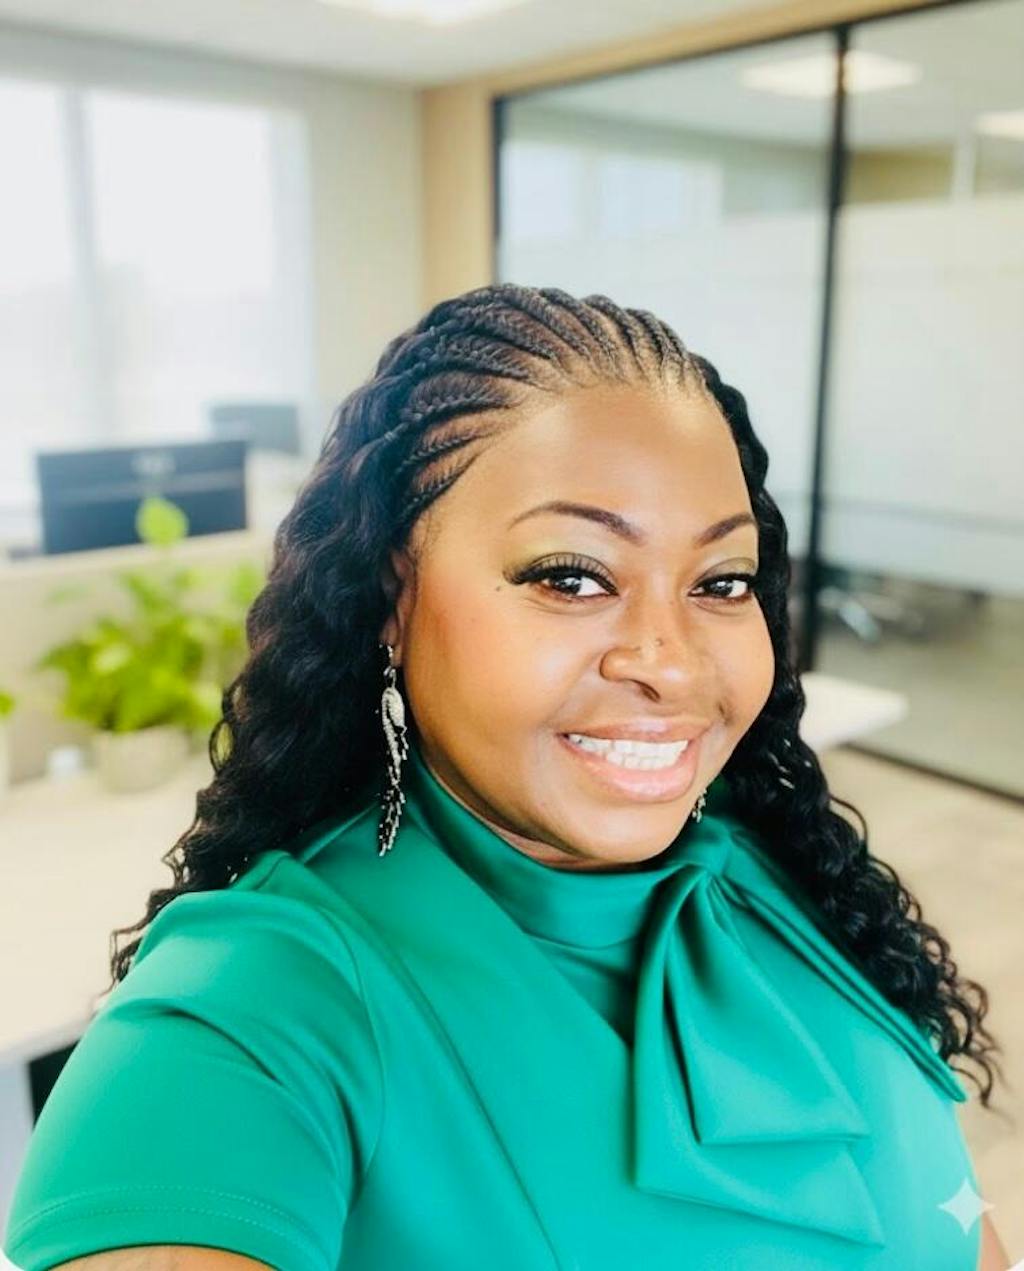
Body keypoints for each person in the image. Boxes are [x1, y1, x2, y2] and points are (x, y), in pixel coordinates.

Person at [3, 283, 1010, 1271]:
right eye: (571, 576)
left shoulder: (776, 875)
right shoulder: (261, 1008)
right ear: (390, 602)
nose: (671, 663)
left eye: (721, 581)